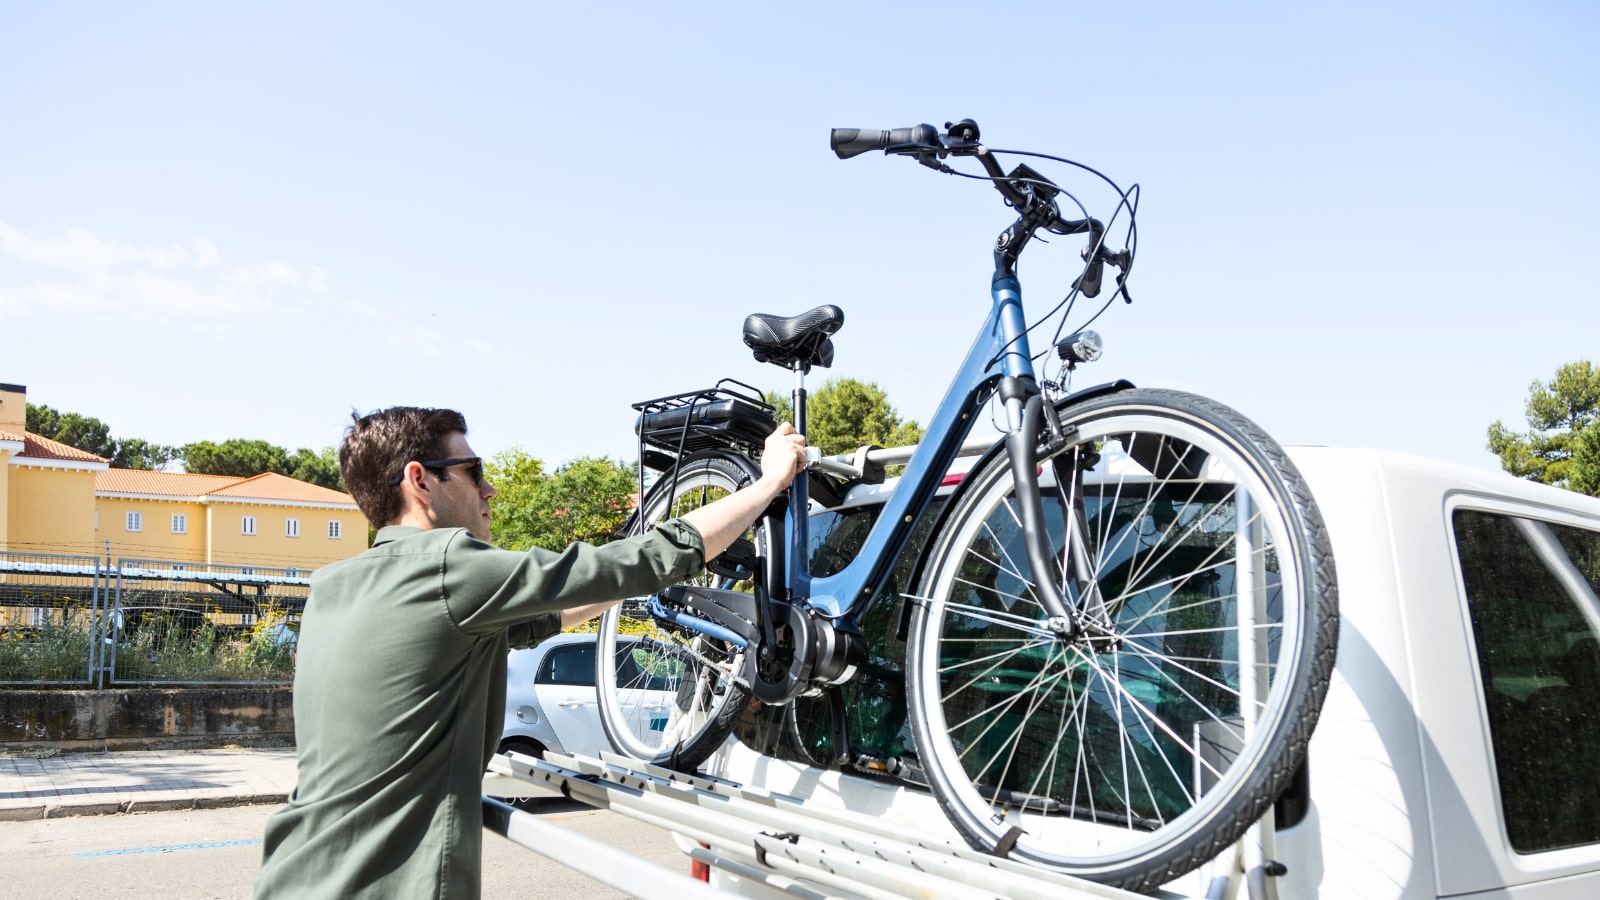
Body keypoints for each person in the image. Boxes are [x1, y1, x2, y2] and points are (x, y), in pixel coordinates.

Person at [254, 406, 806, 899]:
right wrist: (765, 486)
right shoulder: (449, 566)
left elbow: (544, 616)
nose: (489, 490)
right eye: (474, 472)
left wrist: (607, 584)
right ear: (419, 481)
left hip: (291, 873)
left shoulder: (332, 586)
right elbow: (639, 559)